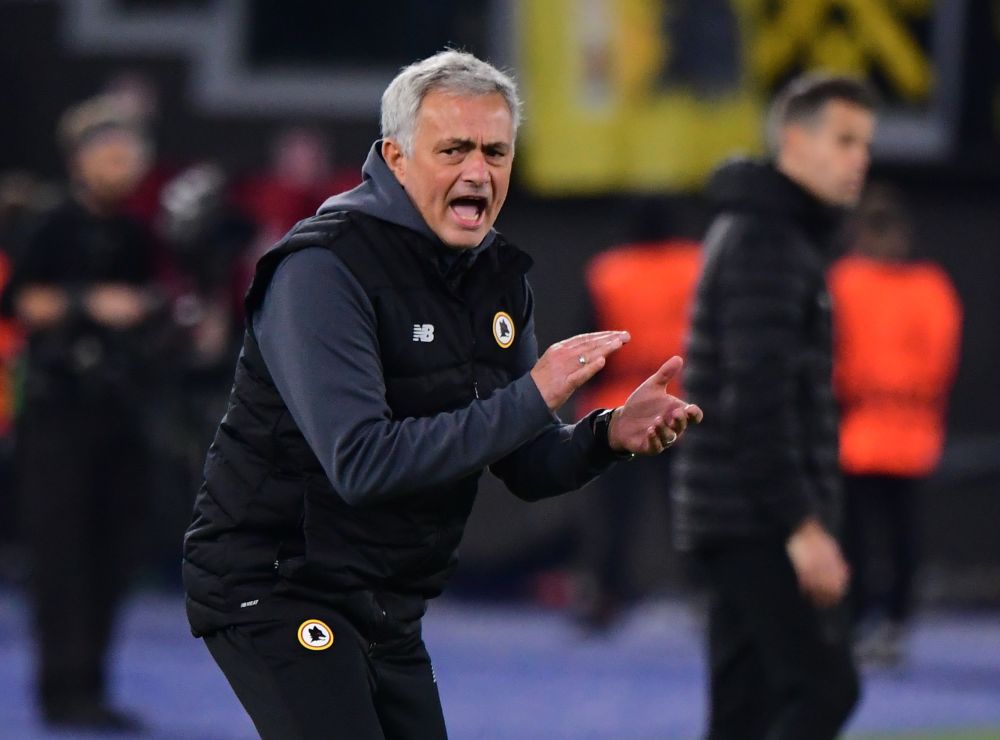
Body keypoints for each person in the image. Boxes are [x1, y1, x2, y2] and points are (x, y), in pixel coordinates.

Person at [182, 50, 703, 740]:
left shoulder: (494, 275)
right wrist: (537, 392)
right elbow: (363, 463)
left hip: (385, 596)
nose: (478, 172)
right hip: (277, 583)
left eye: (495, 151)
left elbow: (526, 465)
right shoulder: (323, 270)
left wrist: (606, 433)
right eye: (453, 149)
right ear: (395, 159)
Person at [673, 73, 876, 739]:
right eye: (844, 140)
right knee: (825, 688)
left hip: (733, 512)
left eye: (864, 144)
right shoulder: (768, 241)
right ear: (794, 139)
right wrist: (803, 526)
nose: (859, 160)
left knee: (744, 714)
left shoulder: (764, 232)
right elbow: (755, 402)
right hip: (756, 516)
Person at [1, 96, 159, 731]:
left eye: (131, 156)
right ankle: (59, 688)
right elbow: (20, 302)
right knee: (61, 554)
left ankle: (92, 683)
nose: (124, 167)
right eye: (112, 154)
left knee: (110, 554)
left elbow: (146, 307)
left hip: (117, 410)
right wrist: (90, 302)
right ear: (80, 160)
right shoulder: (49, 224)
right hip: (54, 413)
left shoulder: (133, 233)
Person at [829, 183, 962, 665]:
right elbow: (940, 359)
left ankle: (876, 620)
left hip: (872, 426)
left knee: (874, 533)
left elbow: (830, 352)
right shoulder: (929, 286)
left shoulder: (848, 282)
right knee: (887, 533)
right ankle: (885, 621)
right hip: (893, 427)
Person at [573, 198, 702, 629]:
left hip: (618, 406)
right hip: (678, 404)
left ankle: (605, 598)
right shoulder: (695, 263)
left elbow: (592, 344)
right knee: (689, 511)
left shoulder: (610, 270)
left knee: (613, 513)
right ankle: (706, 596)